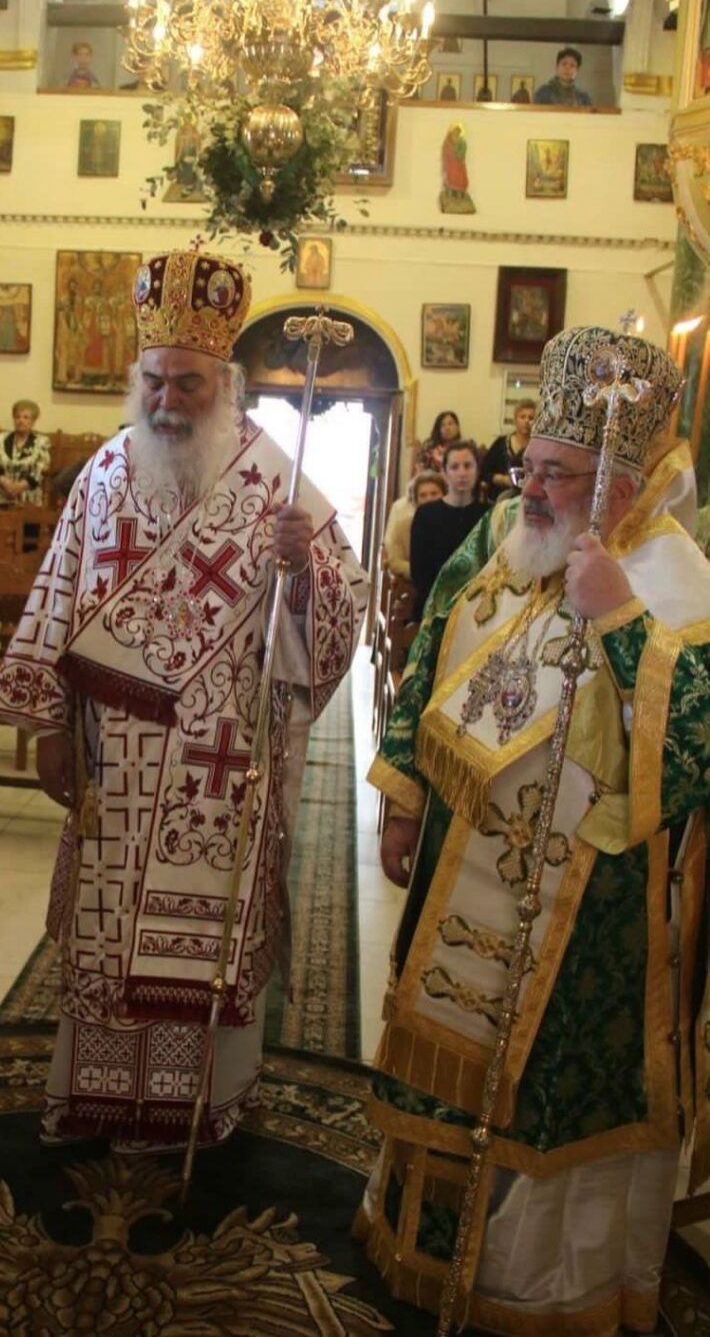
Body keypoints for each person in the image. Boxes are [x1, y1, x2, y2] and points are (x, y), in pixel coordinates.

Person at [358, 325, 710, 1335]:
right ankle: (420, 1244)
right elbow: (434, 637)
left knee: (539, 1092)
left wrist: (622, 621)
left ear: (623, 484)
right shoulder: (509, 532)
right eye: (531, 465)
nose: (531, 490)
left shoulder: (678, 578)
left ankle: (532, 1286)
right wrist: (405, 797)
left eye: (558, 474)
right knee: (441, 1056)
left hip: (586, 913)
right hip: (456, 865)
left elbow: (696, 745)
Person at [0, 248, 369, 1153]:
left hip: (219, 762)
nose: (167, 400)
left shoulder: (274, 478)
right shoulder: (103, 474)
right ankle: (102, 1096)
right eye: (154, 380)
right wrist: (48, 727)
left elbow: (341, 608)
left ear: (224, 383)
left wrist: (302, 569)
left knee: (203, 941)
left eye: (187, 383)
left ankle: (202, 1101)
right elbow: (59, 598)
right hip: (111, 762)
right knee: (109, 934)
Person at [409, 438, 484, 618]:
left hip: (475, 610)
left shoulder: (488, 514)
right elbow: (419, 572)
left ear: (477, 471)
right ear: (444, 473)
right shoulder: (426, 515)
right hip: (433, 609)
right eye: (455, 467)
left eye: (468, 466)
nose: (462, 473)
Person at [0, 399, 52, 507]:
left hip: (29, 500)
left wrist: (18, 487)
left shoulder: (42, 442)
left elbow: (40, 470)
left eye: (26, 417)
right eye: (17, 417)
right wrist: (6, 484)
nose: (21, 420)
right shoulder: (1, 439)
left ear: (33, 421)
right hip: (2, 495)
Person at [382, 470, 446, 580]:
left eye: (434, 494)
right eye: (423, 495)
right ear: (416, 500)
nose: (429, 499)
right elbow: (395, 562)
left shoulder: (453, 523)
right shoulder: (402, 527)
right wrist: (422, 573)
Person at [481, 397, 535, 497]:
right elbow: (484, 471)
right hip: (499, 496)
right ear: (515, 419)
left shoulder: (539, 447)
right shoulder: (501, 443)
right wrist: (502, 479)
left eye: (531, 418)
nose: (526, 421)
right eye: (522, 417)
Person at [412, 409, 461, 475]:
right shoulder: (429, 446)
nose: (447, 428)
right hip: (431, 480)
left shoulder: (462, 447)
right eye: (443, 425)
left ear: (457, 427)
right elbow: (419, 468)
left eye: (450, 424)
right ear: (438, 429)